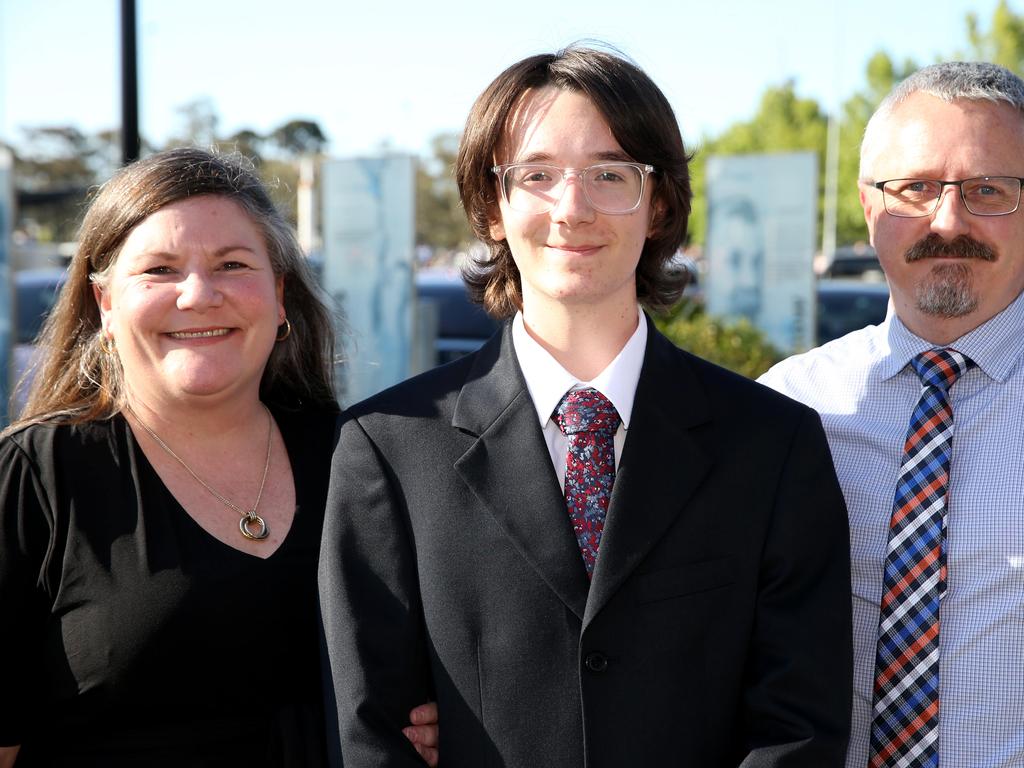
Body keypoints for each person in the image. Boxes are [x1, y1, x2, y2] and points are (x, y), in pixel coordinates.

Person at [320, 46, 852, 767]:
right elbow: (370, 732)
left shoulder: (770, 443)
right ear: (492, 207)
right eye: (537, 176)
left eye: (610, 175)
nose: (572, 208)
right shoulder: (390, 448)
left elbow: (798, 725)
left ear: (658, 202)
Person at [0, 148, 437, 767]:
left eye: (232, 264)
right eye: (159, 270)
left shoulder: (361, 461)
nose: (199, 295)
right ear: (104, 303)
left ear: (279, 294)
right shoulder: (34, 477)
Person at [759, 61, 1024, 767]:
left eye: (988, 190)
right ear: (869, 206)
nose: (948, 221)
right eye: (915, 188)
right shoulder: (785, 410)